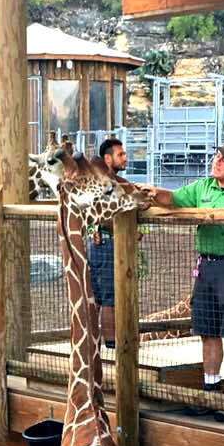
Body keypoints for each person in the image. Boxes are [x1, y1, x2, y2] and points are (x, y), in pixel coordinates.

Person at [138, 140, 224, 422]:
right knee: (208, 331)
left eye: (223, 159)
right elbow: (172, 198)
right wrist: (153, 192)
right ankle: (209, 390)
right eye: (216, 157)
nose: (216, 161)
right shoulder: (203, 188)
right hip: (206, 266)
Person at [86, 137, 128, 348]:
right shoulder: (104, 182)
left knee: (100, 295)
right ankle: (111, 346)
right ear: (108, 158)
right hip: (106, 243)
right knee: (109, 297)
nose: (125, 158)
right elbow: (102, 216)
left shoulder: (110, 181)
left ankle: (95, 344)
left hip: (99, 242)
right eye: (120, 154)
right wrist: (128, 231)